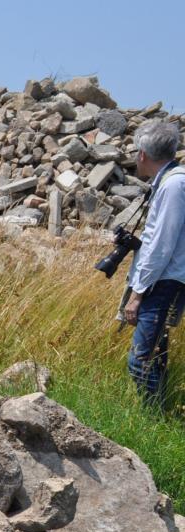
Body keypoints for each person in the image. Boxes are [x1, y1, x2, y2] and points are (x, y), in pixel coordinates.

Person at [124, 120, 185, 408]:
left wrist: (137, 295)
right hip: (165, 280)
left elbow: (162, 245)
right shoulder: (171, 180)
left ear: (143, 155)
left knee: (140, 361)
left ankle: (155, 421)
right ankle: (161, 416)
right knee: (155, 356)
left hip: (164, 282)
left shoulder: (174, 184)